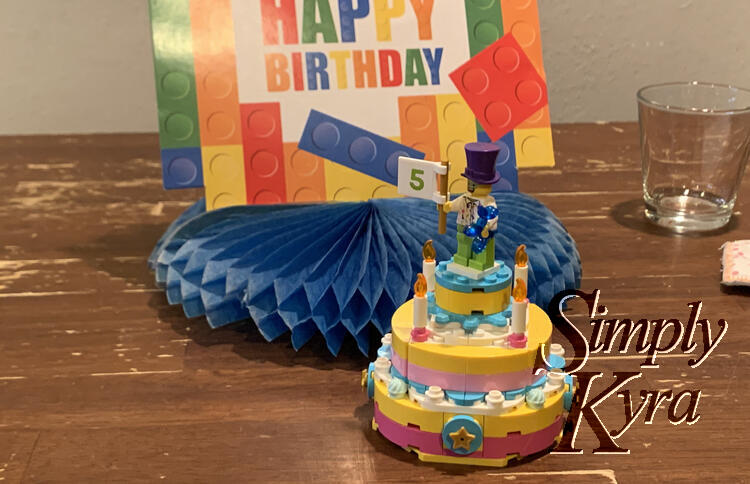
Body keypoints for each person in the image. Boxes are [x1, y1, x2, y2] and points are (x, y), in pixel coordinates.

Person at [443, 142, 501, 271]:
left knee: (481, 247)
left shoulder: (488, 201)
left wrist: (488, 226)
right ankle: (462, 258)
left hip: (481, 229)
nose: (471, 186)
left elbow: (493, 215)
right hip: (463, 225)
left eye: (475, 184)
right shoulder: (466, 196)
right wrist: (449, 206)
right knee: (463, 242)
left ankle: (481, 262)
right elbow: (458, 203)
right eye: (470, 182)